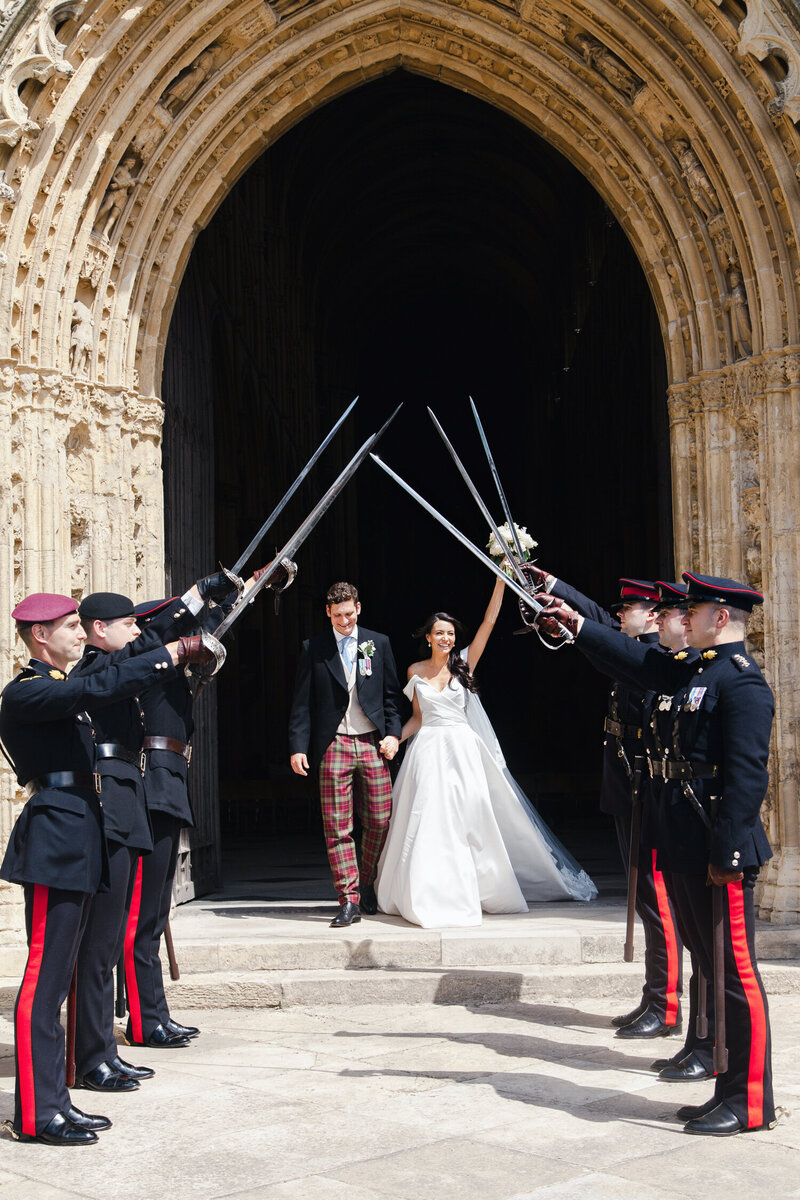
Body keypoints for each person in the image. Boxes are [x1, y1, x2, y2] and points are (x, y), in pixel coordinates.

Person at [539, 573, 775, 1136]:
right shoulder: (694, 670)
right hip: (684, 838)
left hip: (717, 848)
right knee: (709, 962)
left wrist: (730, 852)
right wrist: (575, 625)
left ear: (721, 618)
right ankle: (726, 1086)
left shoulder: (740, 683)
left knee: (735, 971)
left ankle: (751, 1099)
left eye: (694, 610)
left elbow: (747, 777)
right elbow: (638, 663)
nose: (683, 617)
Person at [0, 592, 202, 1145]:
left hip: (80, 835)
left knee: (64, 972)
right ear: (40, 635)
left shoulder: (64, 691)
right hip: (55, 837)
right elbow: (99, 684)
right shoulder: (28, 690)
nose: (76, 634)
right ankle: (38, 1112)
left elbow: (101, 689)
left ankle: (57, 1097)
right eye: (69, 626)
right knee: (43, 979)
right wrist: (173, 652)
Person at [375, 576, 596, 929]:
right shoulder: (415, 672)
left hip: (462, 750)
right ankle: (430, 891)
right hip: (428, 751)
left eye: (450, 633)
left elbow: (489, 622)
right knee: (428, 821)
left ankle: (477, 888)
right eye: (439, 633)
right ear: (428, 637)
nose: (446, 638)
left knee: (469, 819)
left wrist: (499, 580)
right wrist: (394, 739)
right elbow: (417, 718)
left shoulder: (464, 662)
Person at [524, 568, 683, 1040]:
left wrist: (574, 619)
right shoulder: (634, 648)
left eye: (625, 611)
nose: (615, 617)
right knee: (646, 904)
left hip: (647, 795)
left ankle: (667, 1004)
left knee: (659, 905)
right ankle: (655, 995)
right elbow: (595, 621)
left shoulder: (651, 658)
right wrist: (554, 586)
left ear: (651, 616)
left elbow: (599, 632)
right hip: (627, 791)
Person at [70, 592, 163, 1092]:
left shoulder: (114, 666)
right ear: (98, 629)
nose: (136, 632)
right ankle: (90, 1057)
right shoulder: (89, 671)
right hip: (108, 801)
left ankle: (103, 1047)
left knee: (107, 943)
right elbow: (124, 671)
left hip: (127, 799)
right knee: (98, 943)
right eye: (129, 624)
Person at [288, 581, 402, 927]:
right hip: (333, 742)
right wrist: (297, 747)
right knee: (337, 827)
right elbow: (302, 703)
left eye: (349, 613)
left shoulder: (376, 643)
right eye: (337, 615)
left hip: (371, 741)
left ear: (359, 608)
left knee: (380, 819)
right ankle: (349, 898)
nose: (344, 620)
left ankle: (365, 879)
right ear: (328, 612)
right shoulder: (314, 647)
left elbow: (392, 697)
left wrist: (394, 736)